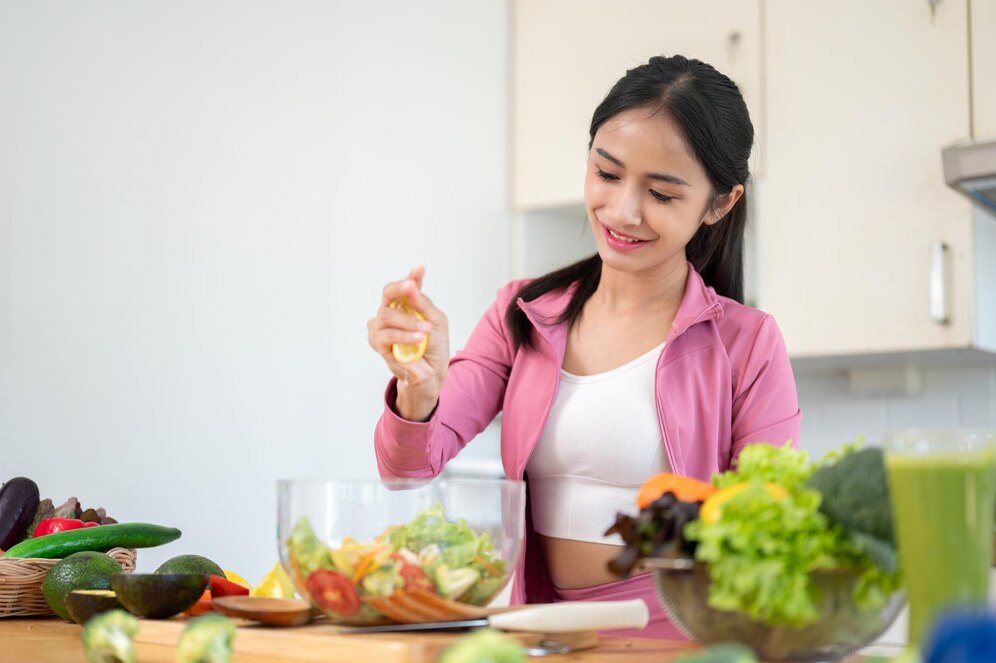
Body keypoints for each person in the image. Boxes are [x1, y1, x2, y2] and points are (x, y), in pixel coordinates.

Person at [367, 54, 801, 639]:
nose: (623, 211)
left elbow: (766, 532)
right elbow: (406, 470)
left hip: (682, 638)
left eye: (662, 194)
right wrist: (419, 388)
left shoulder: (747, 343)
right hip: (542, 631)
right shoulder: (522, 314)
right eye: (607, 173)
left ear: (719, 204)